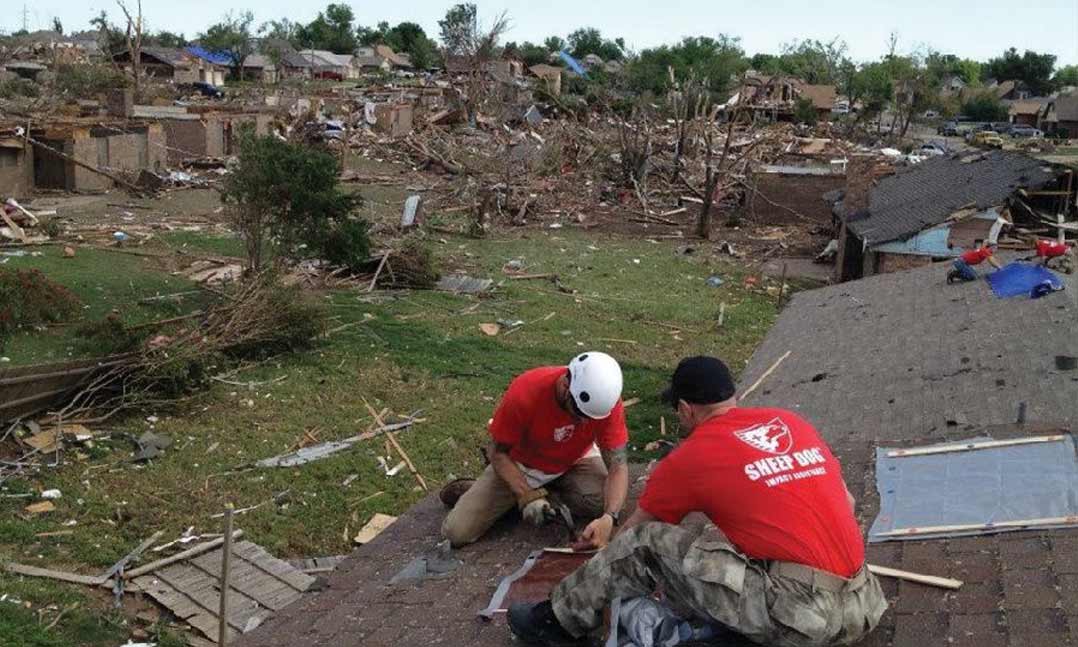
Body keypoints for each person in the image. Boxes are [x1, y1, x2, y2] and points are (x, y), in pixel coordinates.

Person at [508, 356, 887, 647]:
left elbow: (630, 542)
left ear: (686, 409)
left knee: (648, 544)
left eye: (677, 410)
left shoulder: (690, 456)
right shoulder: (789, 422)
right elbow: (849, 501)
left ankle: (555, 621)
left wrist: (601, 551)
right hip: (863, 602)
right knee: (724, 541)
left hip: (807, 618)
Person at [441, 352, 630, 548]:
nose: (584, 421)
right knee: (457, 532)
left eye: (591, 417)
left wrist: (610, 518)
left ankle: (542, 498)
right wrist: (526, 495)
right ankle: (495, 493)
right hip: (523, 465)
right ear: (566, 386)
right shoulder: (526, 392)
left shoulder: (604, 403)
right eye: (580, 413)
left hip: (574, 459)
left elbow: (618, 465)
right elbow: (497, 453)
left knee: (605, 501)